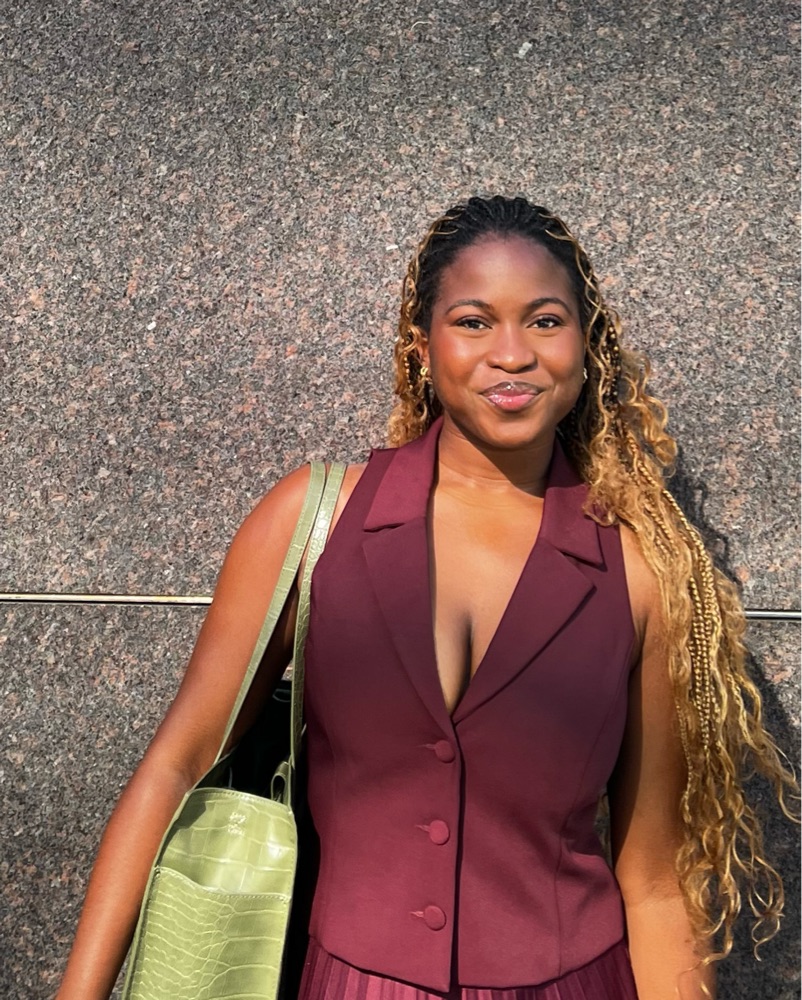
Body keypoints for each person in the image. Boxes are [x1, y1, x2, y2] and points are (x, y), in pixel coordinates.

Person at [57, 195, 796, 1000]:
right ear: (422, 347)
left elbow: (654, 882)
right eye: (474, 321)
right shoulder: (312, 522)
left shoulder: (641, 572)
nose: (511, 353)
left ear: (587, 347)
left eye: (545, 321)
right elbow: (177, 765)